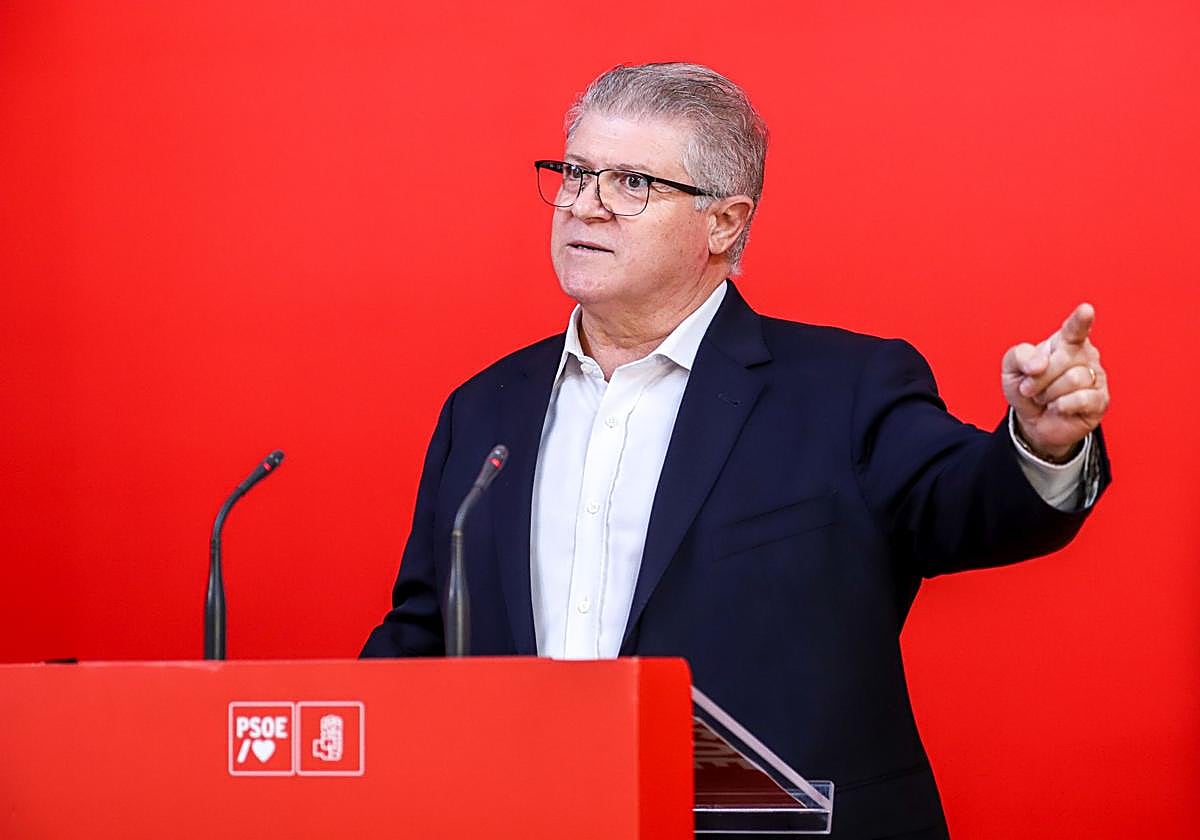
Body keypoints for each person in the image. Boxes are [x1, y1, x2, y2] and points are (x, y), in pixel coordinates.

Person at [362, 63, 1111, 839]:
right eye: (576, 173)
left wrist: (1039, 442)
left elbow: (971, 505)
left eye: (632, 184)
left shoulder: (844, 390)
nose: (584, 204)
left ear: (723, 222)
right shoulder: (486, 408)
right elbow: (426, 635)